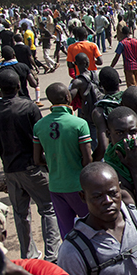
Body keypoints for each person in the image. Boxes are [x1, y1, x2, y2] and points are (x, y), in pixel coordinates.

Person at [0, 70, 61, 261]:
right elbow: (41, 138)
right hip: (33, 168)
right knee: (48, 208)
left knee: (20, 214)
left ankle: (28, 255)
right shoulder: (29, 107)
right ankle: (52, 255)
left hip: (10, 170)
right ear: (19, 86)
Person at [33, 82, 93, 238]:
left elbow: (37, 159)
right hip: (79, 185)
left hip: (56, 186)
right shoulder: (79, 124)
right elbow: (87, 161)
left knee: (67, 233)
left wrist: (56, 160)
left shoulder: (39, 126)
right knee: (92, 227)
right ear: (68, 97)